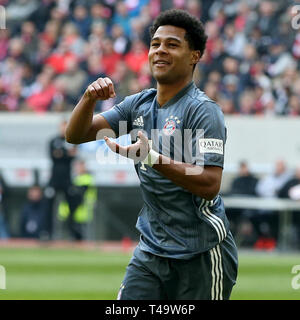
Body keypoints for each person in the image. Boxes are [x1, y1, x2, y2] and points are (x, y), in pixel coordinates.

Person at [66, 9, 238, 300]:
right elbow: (77, 134)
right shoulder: (139, 104)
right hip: (151, 251)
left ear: (194, 55)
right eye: (155, 44)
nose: (160, 50)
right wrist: (88, 99)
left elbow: (210, 184)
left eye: (172, 44)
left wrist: (152, 158)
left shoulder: (203, 111)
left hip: (202, 253)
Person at [42, 120, 80, 240]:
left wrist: (61, 154)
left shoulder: (72, 141)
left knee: (72, 207)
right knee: (48, 207)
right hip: (54, 179)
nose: (63, 130)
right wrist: (66, 154)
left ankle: (72, 234)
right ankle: (47, 233)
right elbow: (53, 156)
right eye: (62, 127)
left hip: (67, 180)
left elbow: (72, 156)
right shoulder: (53, 141)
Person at [57, 160, 97, 241]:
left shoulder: (87, 178)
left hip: (81, 211)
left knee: (81, 235)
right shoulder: (76, 178)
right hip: (73, 212)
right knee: (72, 234)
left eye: (79, 166)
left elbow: (79, 194)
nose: (77, 168)